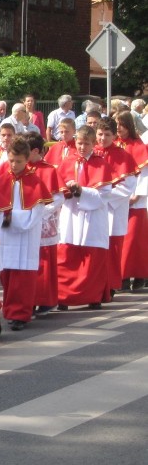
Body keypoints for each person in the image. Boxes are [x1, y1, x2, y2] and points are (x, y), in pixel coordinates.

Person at [0, 138, 52, 331]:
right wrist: (3, 218)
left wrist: (13, 218)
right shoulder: (2, 181)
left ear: (27, 159)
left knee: (23, 277)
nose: (14, 164)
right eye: (11, 160)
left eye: (18, 161)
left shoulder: (35, 182)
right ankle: (10, 311)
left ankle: (21, 314)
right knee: (8, 275)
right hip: (6, 236)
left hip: (26, 236)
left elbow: (36, 213)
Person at [57, 127, 112, 309]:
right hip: (71, 213)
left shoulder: (101, 164)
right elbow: (58, 187)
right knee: (67, 253)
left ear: (93, 145)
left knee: (92, 256)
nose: (82, 147)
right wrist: (67, 190)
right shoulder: (67, 162)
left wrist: (82, 191)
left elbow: (104, 195)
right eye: (79, 143)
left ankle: (93, 296)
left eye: (86, 143)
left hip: (92, 216)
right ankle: (64, 296)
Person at [24, 133, 67, 317]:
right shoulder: (21, 169)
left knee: (45, 262)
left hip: (44, 222)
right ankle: (29, 299)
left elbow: (59, 197)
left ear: (35, 151)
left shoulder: (49, 170)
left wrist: (42, 210)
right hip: (25, 221)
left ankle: (46, 300)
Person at [94, 117, 136, 300]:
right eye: (100, 134)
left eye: (107, 135)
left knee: (112, 250)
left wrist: (103, 196)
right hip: (94, 209)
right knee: (96, 250)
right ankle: (96, 285)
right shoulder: (92, 152)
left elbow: (128, 186)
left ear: (114, 135)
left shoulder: (123, 155)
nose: (102, 138)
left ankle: (110, 285)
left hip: (113, 209)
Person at [115, 112, 148, 289]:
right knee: (121, 240)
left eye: (122, 124)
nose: (119, 128)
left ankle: (140, 274)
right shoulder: (113, 145)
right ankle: (123, 276)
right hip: (117, 200)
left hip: (136, 199)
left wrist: (137, 195)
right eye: (117, 124)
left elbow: (144, 174)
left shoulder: (138, 145)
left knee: (135, 240)